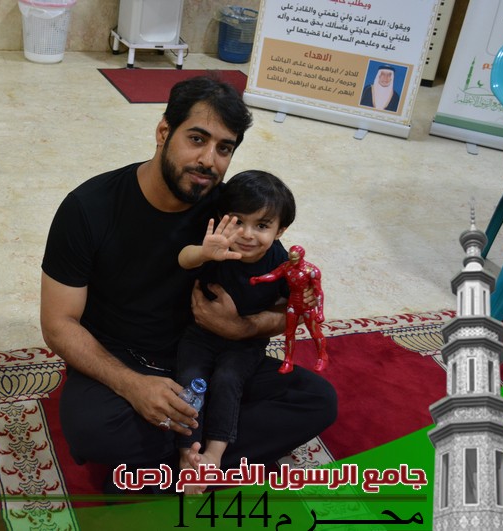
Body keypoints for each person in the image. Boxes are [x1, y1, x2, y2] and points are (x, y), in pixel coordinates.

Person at [40, 75, 336, 494]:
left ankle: (177, 466)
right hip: (126, 359)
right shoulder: (89, 208)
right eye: (197, 139)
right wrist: (133, 386)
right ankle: (205, 451)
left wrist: (242, 328)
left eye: (224, 148)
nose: (208, 160)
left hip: (210, 358)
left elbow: (286, 303)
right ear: (164, 132)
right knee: (93, 430)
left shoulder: (232, 211)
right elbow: (58, 325)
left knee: (316, 401)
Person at [175, 170, 295, 494]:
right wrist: (203, 253)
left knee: (227, 379)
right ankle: (188, 454)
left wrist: (305, 296)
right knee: (190, 378)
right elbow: (183, 259)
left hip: (246, 344)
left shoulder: (281, 261)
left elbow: (291, 304)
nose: (247, 234)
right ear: (222, 217)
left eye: (262, 225)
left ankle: (213, 456)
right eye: (238, 221)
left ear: (280, 230)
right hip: (199, 335)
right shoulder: (218, 245)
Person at [251, 245, 329, 374]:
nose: (293, 260)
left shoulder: (311, 270)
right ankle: (288, 360)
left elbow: (318, 291)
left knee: (315, 332)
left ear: (301, 256)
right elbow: (274, 275)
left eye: (295, 258)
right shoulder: (286, 267)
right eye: (291, 258)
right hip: (293, 304)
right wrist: (260, 279)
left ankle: (322, 356)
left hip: (307, 306)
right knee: (289, 333)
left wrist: (320, 311)